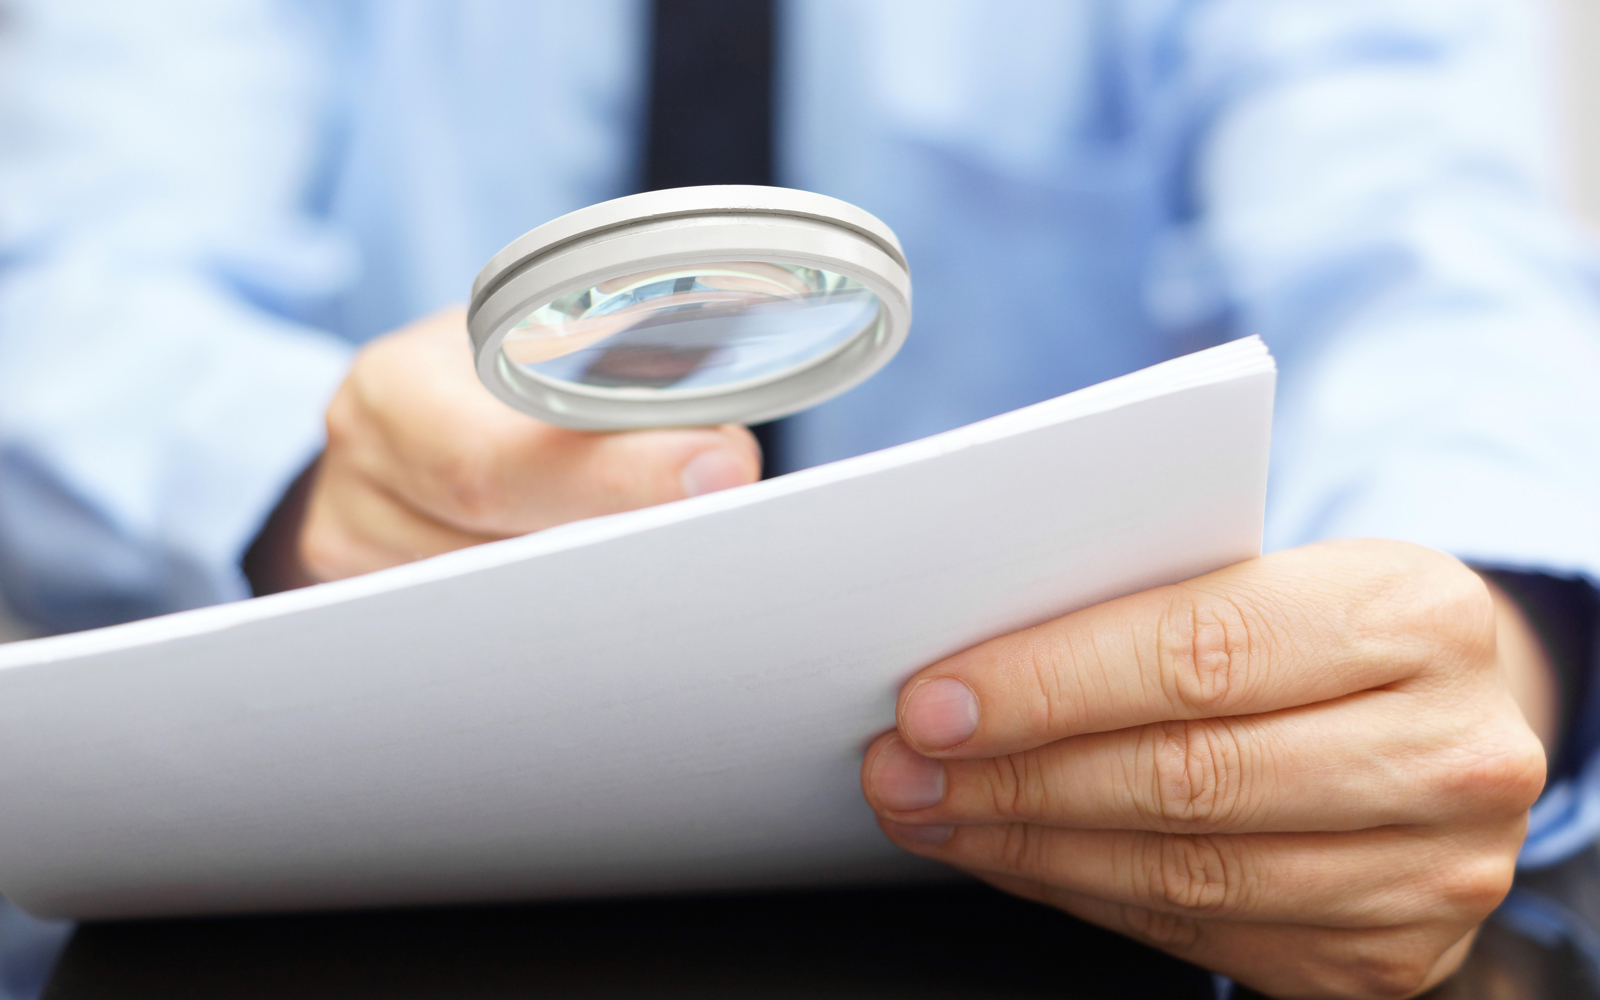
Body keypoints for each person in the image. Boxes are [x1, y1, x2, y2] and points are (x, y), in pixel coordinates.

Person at [1, 1, 1598, 996]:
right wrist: (321, 484)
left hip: (1091, 891)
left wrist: (1476, 654)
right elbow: (70, 275)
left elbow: (1431, 255)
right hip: (372, 882)